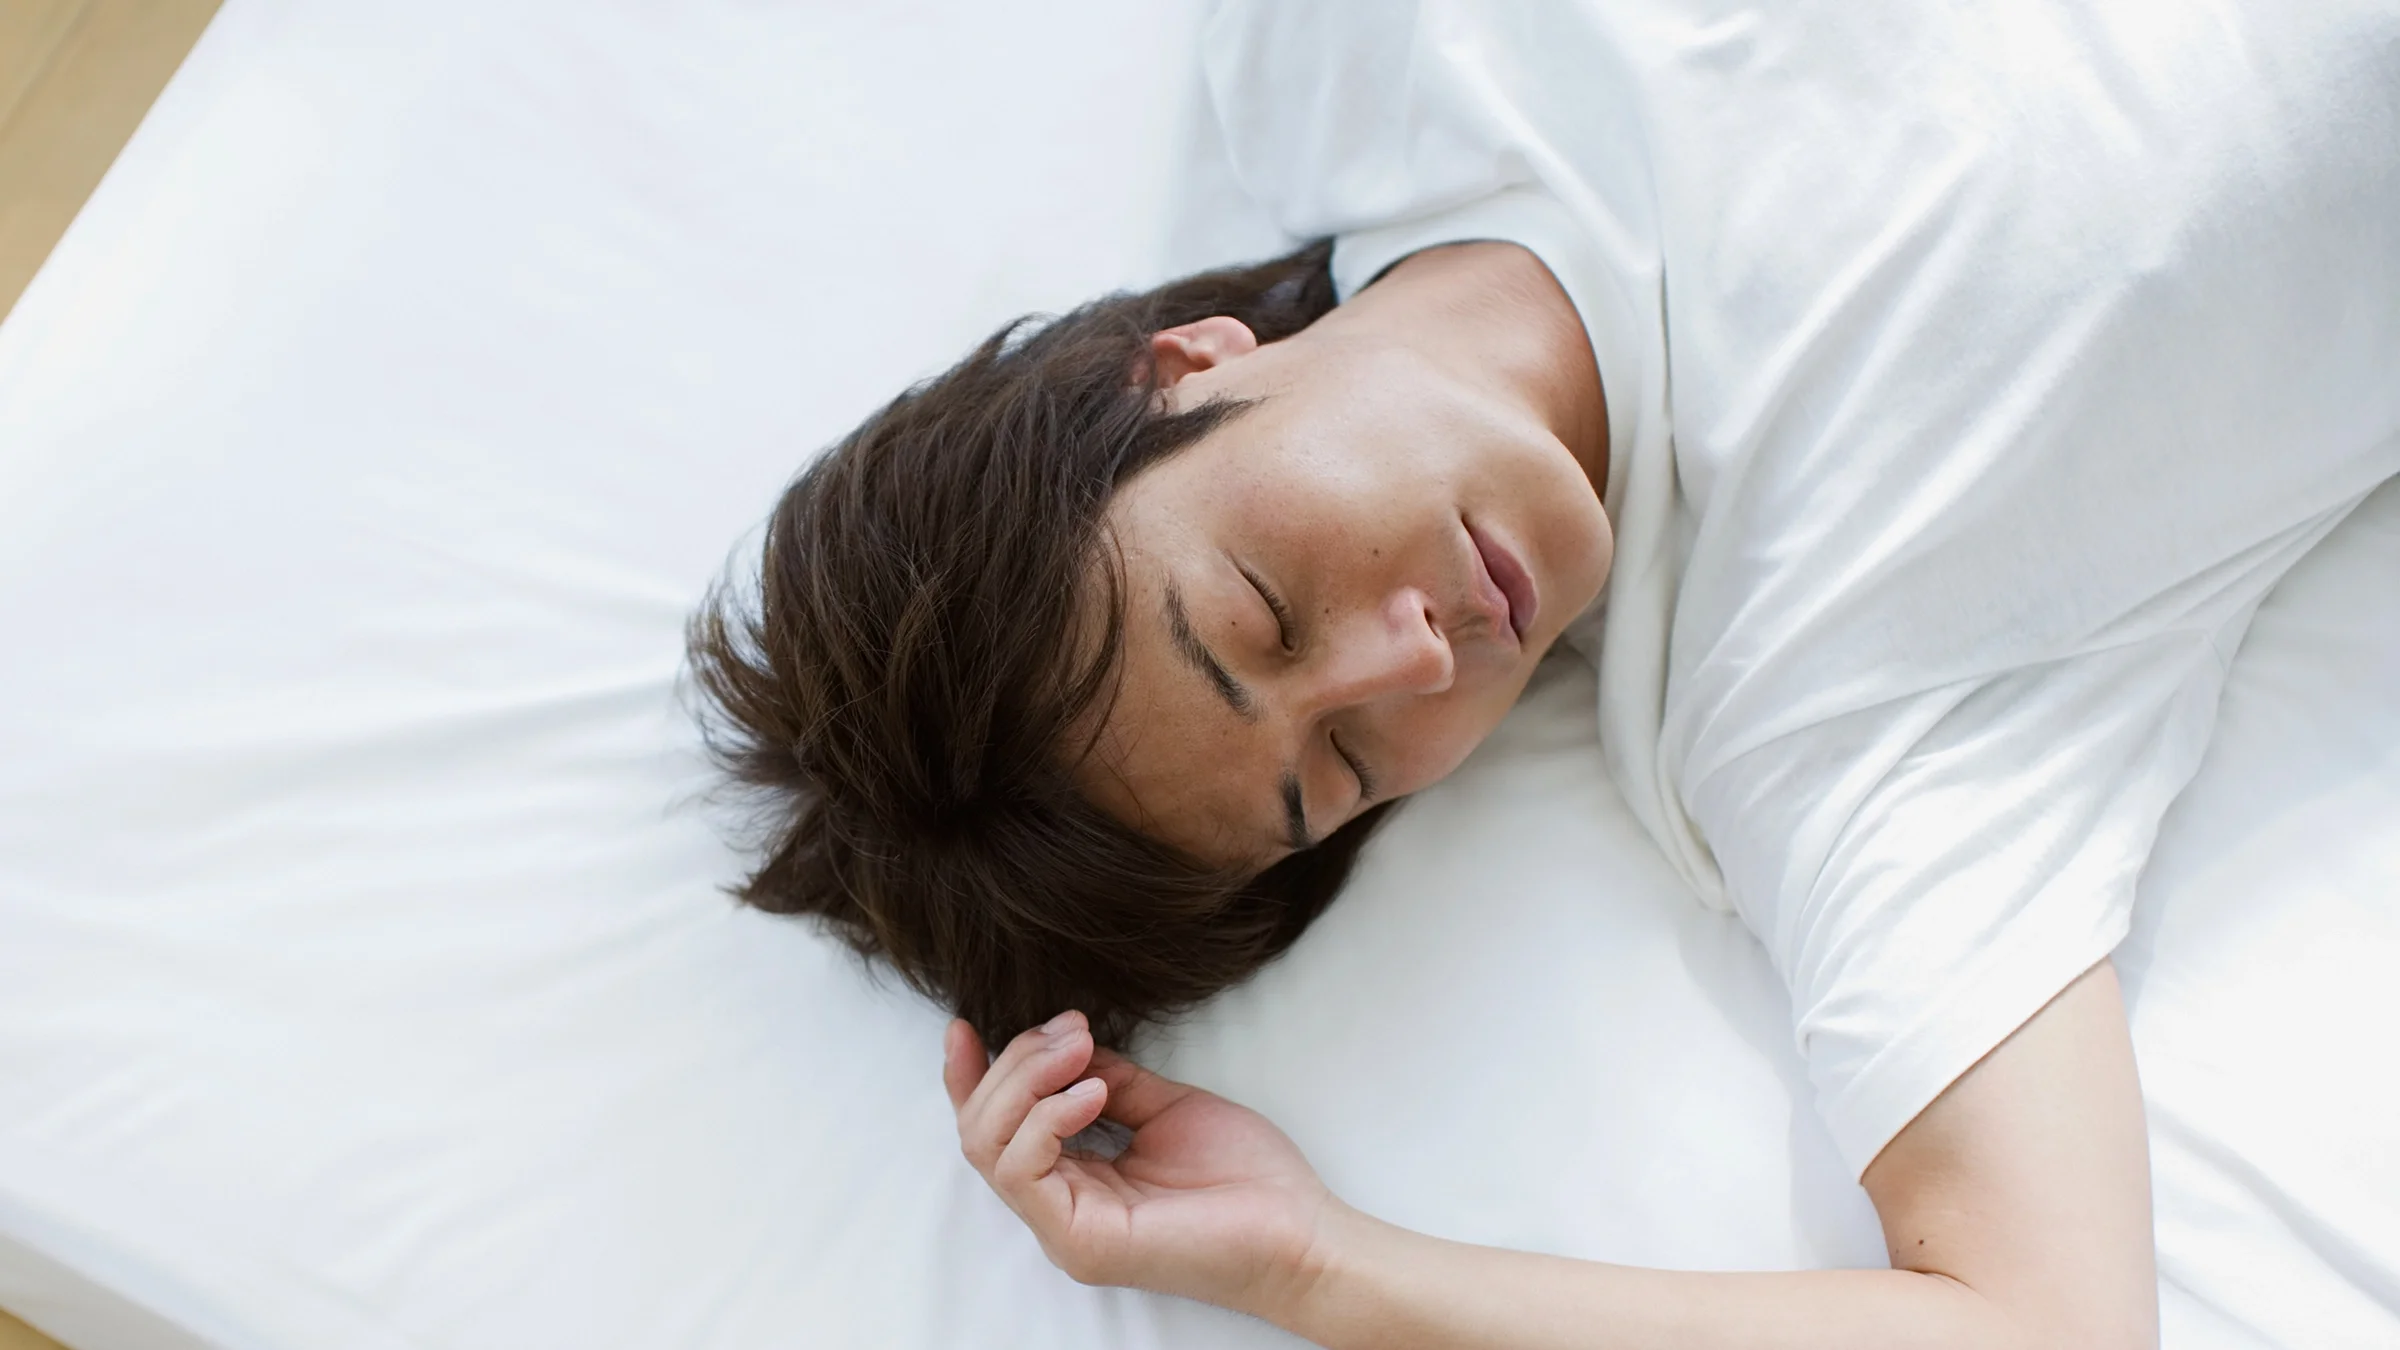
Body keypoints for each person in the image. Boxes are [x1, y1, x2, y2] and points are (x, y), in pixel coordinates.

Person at [690, 1, 2399, 1344]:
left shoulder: (1359, 53)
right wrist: (1322, 1269)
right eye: (1345, 767)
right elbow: (2045, 1322)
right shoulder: (1812, 713)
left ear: (1181, 367)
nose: (1410, 658)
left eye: (1263, 613)